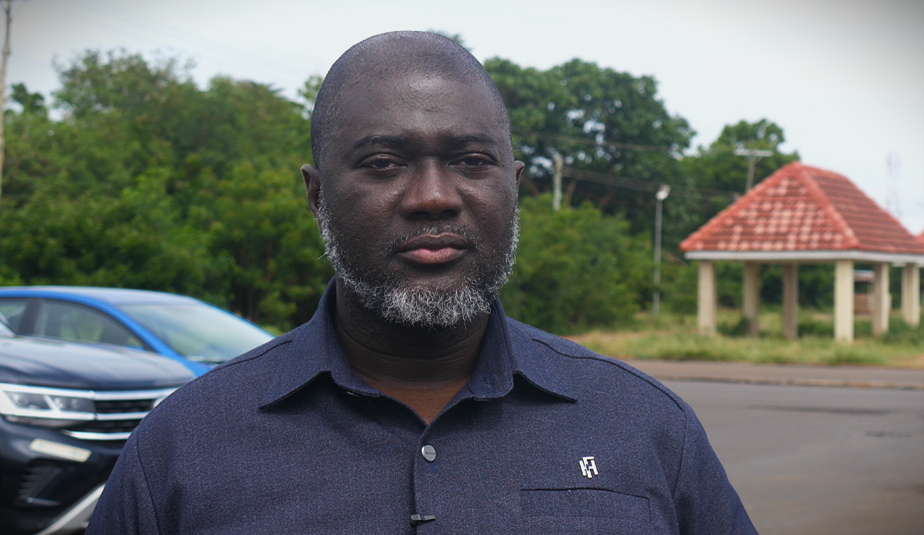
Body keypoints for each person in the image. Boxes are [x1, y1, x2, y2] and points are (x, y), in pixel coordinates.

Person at [87, 31, 757, 534]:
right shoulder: (181, 447)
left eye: (471, 160)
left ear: (514, 188)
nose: (434, 196)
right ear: (317, 197)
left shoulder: (646, 427)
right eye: (384, 162)